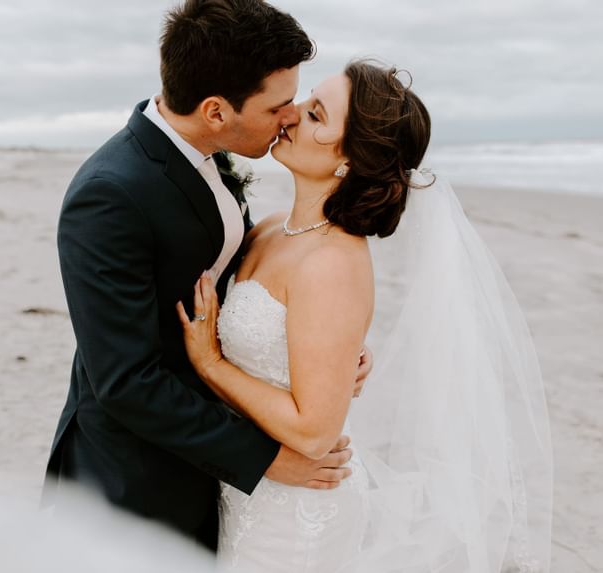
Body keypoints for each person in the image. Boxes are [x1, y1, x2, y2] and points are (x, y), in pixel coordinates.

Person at [178, 60, 553, 571]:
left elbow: (314, 432)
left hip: (293, 520)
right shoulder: (268, 229)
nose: (288, 115)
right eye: (304, 102)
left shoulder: (333, 262)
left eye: (314, 115)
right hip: (244, 491)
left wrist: (211, 365)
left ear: (349, 160)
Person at [42, 0, 373, 551]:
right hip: (135, 480)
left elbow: (229, 291)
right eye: (279, 106)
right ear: (217, 111)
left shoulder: (210, 153)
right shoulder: (110, 195)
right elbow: (124, 380)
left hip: (212, 460)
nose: (290, 116)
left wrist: (322, 352)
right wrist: (266, 459)